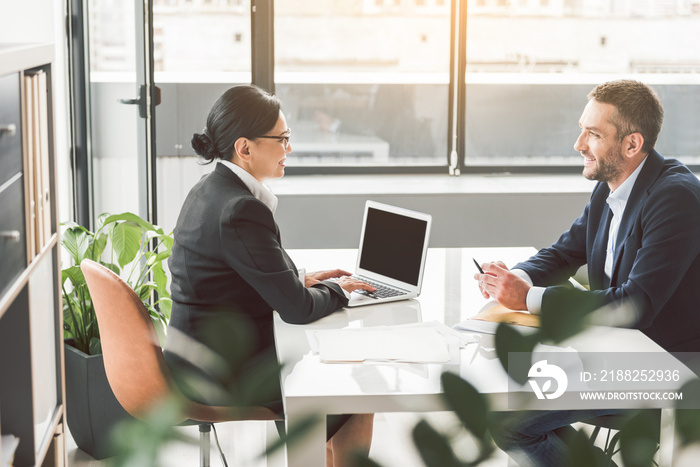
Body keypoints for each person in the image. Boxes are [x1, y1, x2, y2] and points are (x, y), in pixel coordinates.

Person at [474, 80, 700, 466]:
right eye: (582, 129)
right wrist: (516, 277)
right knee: (504, 393)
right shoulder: (612, 185)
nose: (579, 144)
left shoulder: (675, 197)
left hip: (661, 366)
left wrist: (527, 299)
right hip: (611, 352)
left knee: (511, 421)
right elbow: (565, 251)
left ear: (632, 144)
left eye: (593, 134)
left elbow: (635, 304)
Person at [165, 84, 376, 467]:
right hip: (221, 372)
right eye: (282, 139)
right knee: (353, 394)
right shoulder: (240, 209)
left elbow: (236, 272)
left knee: (331, 378)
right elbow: (295, 309)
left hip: (196, 356)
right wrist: (337, 290)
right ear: (245, 148)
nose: (288, 149)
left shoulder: (210, 189)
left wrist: (297, 277)